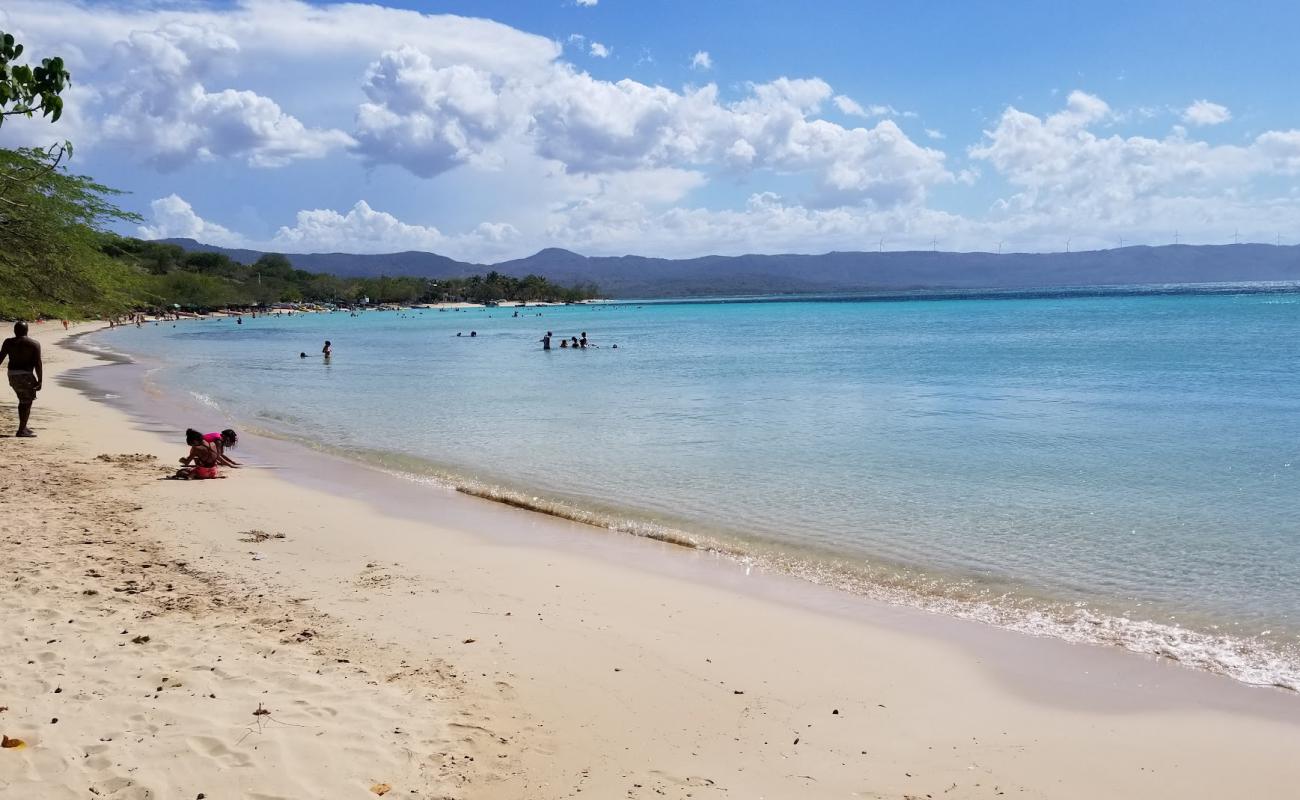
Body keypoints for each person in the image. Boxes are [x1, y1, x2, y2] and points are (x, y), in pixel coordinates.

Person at [0, 321, 43, 438]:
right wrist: (40, 380)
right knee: (26, 401)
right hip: (26, 375)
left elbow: (0, 358)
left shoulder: (8, 342)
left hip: (12, 375)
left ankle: (23, 427)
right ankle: (21, 430)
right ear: (27, 331)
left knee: (23, 400)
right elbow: (38, 363)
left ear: (15, 331)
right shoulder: (34, 344)